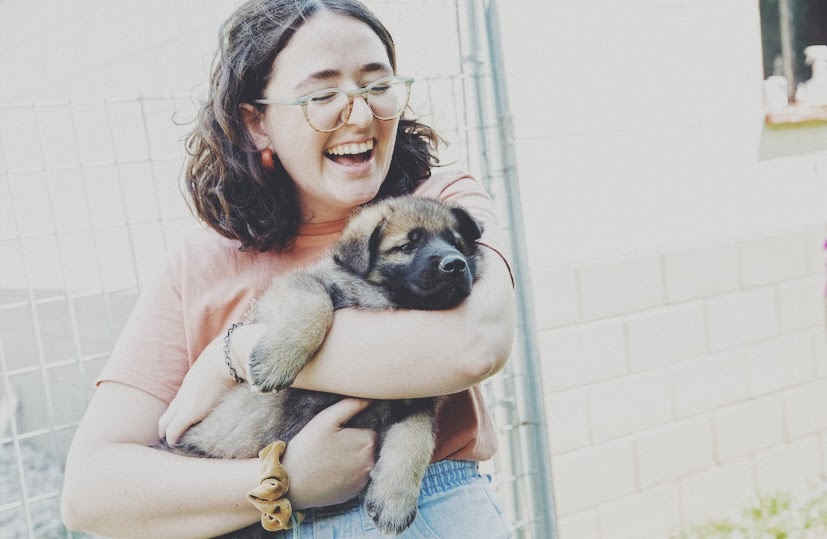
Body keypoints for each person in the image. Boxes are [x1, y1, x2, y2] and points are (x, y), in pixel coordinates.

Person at [61, 0, 515, 537]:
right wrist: (283, 480)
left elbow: (472, 346)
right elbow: (90, 493)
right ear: (257, 122)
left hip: (421, 508)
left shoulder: (441, 201)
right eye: (322, 95)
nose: (361, 114)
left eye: (377, 85)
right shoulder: (201, 261)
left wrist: (231, 355)